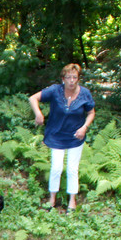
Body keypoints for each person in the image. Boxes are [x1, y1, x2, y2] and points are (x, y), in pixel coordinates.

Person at [28, 63, 96, 213]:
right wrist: (38, 113)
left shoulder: (85, 93)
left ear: (78, 79)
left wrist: (84, 127)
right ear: (63, 78)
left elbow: (91, 113)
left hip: (75, 136)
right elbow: (33, 98)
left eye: (74, 77)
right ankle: (52, 199)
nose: (71, 81)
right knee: (56, 168)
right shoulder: (55, 90)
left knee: (72, 169)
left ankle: (72, 201)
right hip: (56, 135)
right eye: (68, 77)